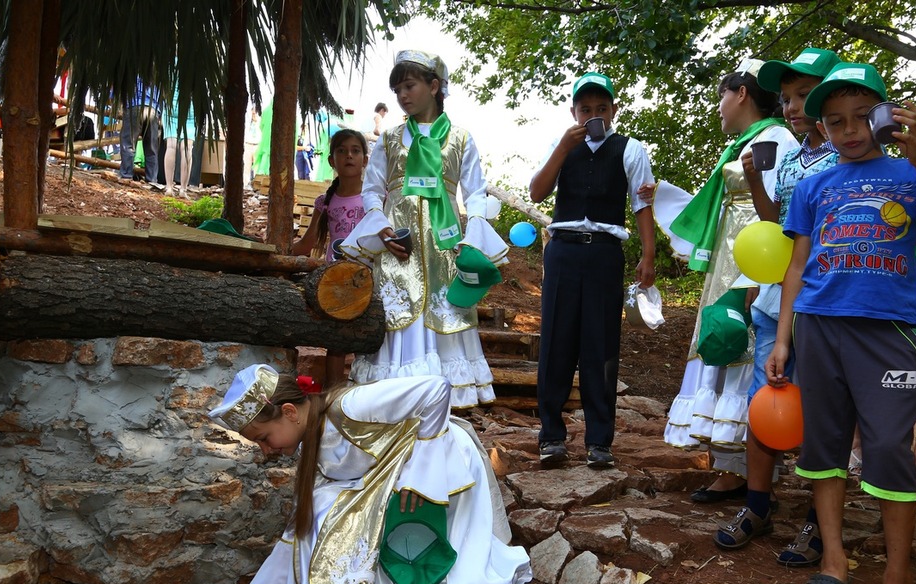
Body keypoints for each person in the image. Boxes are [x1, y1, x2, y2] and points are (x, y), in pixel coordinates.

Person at [769, 62, 916, 584]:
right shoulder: (813, 185)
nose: (851, 130)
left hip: (887, 336)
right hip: (818, 329)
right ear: (824, 130)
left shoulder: (910, 175)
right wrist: (784, 337)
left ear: (886, 115)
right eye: (835, 122)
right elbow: (795, 266)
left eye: (863, 117)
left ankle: (897, 580)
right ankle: (833, 563)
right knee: (824, 446)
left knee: (888, 445)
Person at [209, 366, 530, 584]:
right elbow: (299, 525)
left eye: (263, 438)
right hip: (390, 476)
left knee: (334, 512)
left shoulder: (351, 406)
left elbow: (436, 389)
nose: (264, 450)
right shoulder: (311, 444)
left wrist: (423, 475)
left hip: (443, 467)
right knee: (320, 506)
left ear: (289, 413)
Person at [705, 48, 842, 559]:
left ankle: (817, 521)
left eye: (804, 96)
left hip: (829, 303)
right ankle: (758, 506)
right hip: (776, 301)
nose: (791, 107)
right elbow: (775, 223)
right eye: (786, 98)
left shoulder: (851, 154)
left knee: (821, 414)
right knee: (767, 402)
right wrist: (759, 178)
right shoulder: (790, 154)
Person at [338, 50, 507, 409]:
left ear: (434, 87)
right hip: (399, 243)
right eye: (398, 88)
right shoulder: (390, 139)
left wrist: (472, 238)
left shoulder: (461, 138)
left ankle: (439, 402)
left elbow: (475, 192)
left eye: (410, 85)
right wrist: (382, 228)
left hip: (444, 244)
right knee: (399, 307)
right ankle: (396, 399)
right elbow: (372, 189)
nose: (402, 95)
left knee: (443, 308)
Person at [663, 60, 799, 495]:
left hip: (751, 262)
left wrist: (759, 280)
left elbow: (776, 215)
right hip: (730, 256)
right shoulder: (748, 141)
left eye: (722, 95)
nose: (719, 106)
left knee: (744, 353)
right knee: (724, 348)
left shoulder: (777, 138)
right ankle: (730, 463)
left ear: (741, 93)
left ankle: (747, 473)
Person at [528, 71, 657, 469]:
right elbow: (536, 192)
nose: (593, 115)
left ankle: (599, 442)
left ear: (614, 110)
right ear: (574, 111)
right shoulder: (561, 145)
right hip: (563, 252)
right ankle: (551, 436)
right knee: (556, 341)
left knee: (601, 346)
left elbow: (641, 204)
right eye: (586, 109)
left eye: (602, 108)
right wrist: (562, 149)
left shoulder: (631, 149)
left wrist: (648, 254)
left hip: (604, 254)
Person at [293, 129, 370, 385]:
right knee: (336, 342)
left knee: (367, 337)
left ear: (365, 160)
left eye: (355, 151)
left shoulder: (375, 199)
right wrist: (278, 250)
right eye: (341, 151)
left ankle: (363, 397)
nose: (349, 156)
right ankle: (333, 397)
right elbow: (308, 243)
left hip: (368, 279)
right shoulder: (325, 201)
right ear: (331, 161)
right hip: (335, 280)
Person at [118, 79, 162, 182]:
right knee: (151, 147)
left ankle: (126, 176)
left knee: (128, 143)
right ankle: (152, 180)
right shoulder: (156, 72)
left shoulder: (130, 69)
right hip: (153, 108)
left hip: (134, 104)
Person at [161, 74, 195, 198]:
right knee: (187, 148)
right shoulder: (196, 60)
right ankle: (183, 190)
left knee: (171, 147)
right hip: (190, 108)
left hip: (171, 107)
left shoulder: (169, 61)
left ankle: (169, 187)